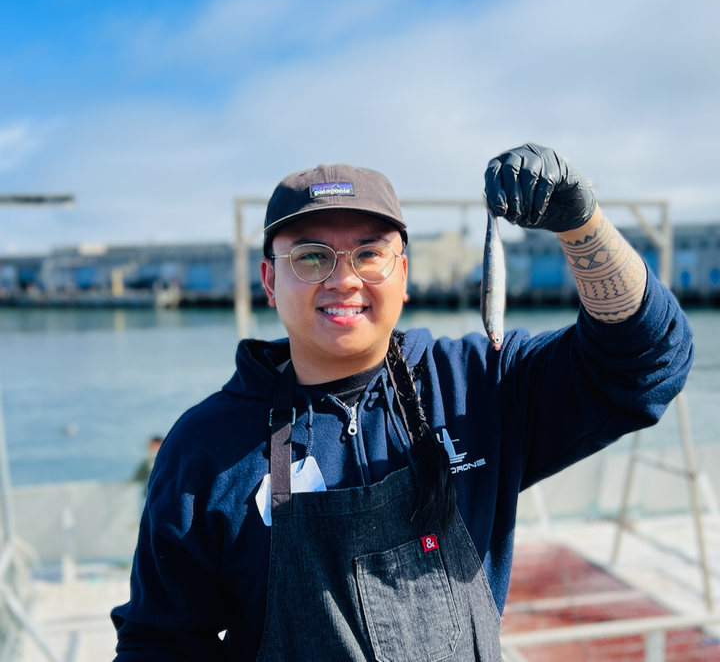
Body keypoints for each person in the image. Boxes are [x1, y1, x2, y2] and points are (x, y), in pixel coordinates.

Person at [111, 144, 693, 661]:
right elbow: (161, 643)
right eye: (311, 257)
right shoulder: (203, 449)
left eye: (369, 254)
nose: (344, 279)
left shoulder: (479, 386)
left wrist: (581, 225)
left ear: (404, 274)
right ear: (269, 280)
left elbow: (647, 361)